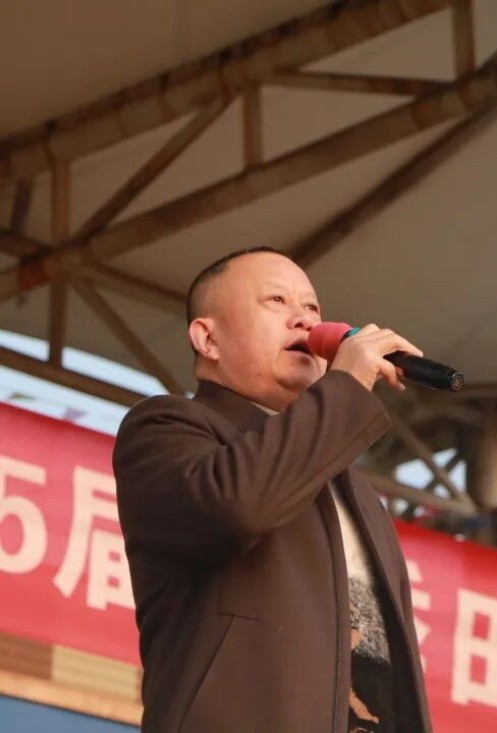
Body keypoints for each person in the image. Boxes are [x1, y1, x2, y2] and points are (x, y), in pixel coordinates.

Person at [113, 247, 432, 733]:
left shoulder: (355, 489)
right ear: (208, 339)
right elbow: (237, 506)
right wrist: (345, 385)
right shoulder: (166, 426)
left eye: (312, 307)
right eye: (276, 301)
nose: (304, 320)